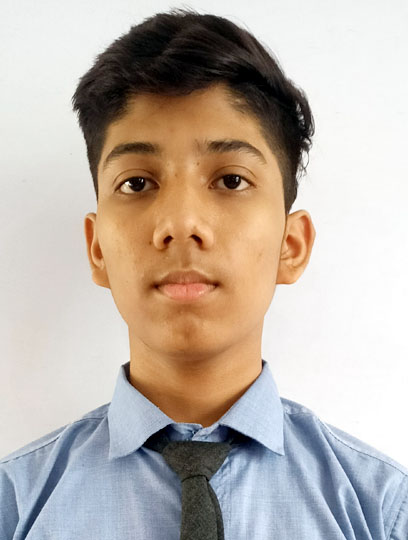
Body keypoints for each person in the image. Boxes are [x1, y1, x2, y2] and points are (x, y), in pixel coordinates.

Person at [1, 7, 407, 539]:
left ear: (291, 245)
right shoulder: (16, 506)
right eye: (137, 183)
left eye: (231, 180)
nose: (180, 223)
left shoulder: (381, 510)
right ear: (97, 248)